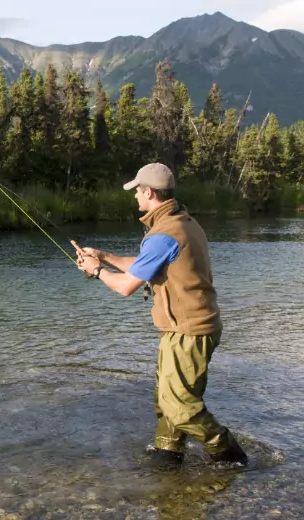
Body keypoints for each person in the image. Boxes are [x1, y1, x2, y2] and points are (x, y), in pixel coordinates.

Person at [74, 162, 248, 468]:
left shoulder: (164, 234)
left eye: (137, 191)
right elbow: (146, 265)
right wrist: (105, 256)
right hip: (186, 327)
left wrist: (97, 270)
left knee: (179, 405)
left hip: (190, 330)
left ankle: (230, 455)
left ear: (150, 192)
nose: (135, 197)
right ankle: (168, 454)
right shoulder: (181, 221)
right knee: (167, 398)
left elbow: (127, 286)